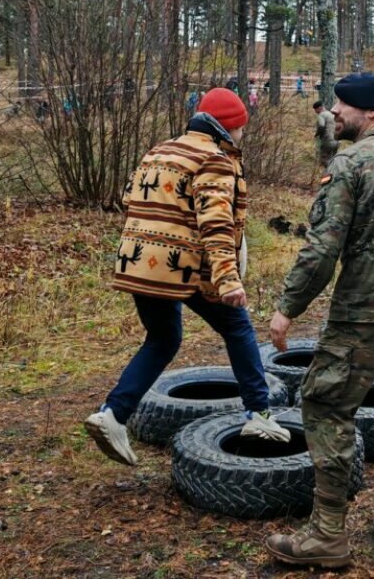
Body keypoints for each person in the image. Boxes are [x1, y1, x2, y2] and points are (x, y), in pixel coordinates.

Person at [266, 73, 374, 568]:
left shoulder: (352, 163)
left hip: (366, 312)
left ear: (367, 110)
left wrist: (287, 307)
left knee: (324, 406)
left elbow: (323, 246)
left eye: (342, 104)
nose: (334, 112)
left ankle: (326, 536)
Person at [85, 87, 289, 465]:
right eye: (241, 128)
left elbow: (130, 197)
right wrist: (228, 280)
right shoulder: (214, 159)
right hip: (184, 268)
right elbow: (216, 225)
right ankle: (259, 414)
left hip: (137, 263)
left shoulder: (159, 150)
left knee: (163, 338)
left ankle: (113, 414)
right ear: (228, 127)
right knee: (238, 327)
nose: (243, 135)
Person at [312, 100, 338, 168]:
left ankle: (327, 176)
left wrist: (316, 134)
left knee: (325, 161)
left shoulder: (321, 115)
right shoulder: (331, 114)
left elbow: (321, 125)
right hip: (337, 141)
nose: (315, 112)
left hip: (327, 141)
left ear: (319, 108)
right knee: (333, 159)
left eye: (315, 110)